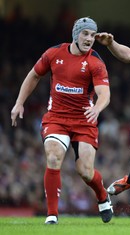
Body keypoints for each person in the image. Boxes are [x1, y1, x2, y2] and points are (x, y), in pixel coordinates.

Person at [10, 17, 113, 224]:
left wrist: (97, 108)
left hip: (84, 119)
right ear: (75, 34)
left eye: (93, 35)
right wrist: (19, 102)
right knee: (54, 156)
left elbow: (104, 93)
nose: (89, 39)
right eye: (85, 34)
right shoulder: (53, 53)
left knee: (85, 171)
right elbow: (34, 76)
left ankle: (102, 195)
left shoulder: (95, 62)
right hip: (56, 117)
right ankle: (52, 215)